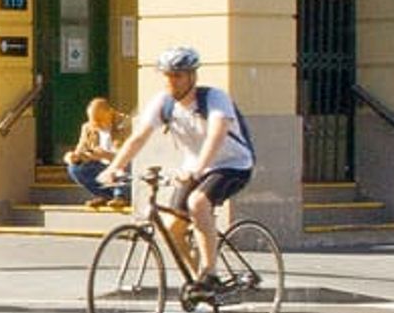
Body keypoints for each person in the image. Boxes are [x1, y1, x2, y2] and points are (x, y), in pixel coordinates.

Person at [99, 46, 254, 291]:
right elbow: (138, 138)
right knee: (173, 229)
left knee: (198, 202)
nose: (171, 81)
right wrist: (115, 167)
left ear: (192, 77)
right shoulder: (164, 103)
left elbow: (216, 135)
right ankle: (199, 283)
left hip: (232, 165)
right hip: (195, 166)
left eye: (178, 75)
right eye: (167, 75)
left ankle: (210, 272)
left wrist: (198, 168)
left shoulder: (214, 98)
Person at [64, 97, 131, 209]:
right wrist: (72, 157)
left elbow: (131, 155)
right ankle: (105, 195)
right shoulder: (88, 127)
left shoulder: (126, 124)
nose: (96, 124)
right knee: (74, 168)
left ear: (110, 112)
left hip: (122, 168)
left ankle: (121, 196)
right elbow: (79, 150)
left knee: (124, 164)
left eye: (99, 120)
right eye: (93, 120)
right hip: (101, 167)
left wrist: (106, 155)